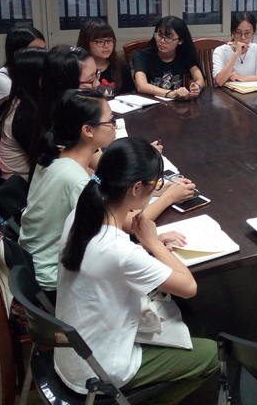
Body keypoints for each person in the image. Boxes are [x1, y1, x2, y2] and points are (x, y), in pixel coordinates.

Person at [55, 137, 219, 403]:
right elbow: (189, 287)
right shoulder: (119, 251)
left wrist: (147, 243)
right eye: (154, 185)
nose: (155, 190)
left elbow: (111, 252)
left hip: (73, 353)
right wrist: (152, 242)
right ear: (135, 188)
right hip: (100, 369)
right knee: (210, 354)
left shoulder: (81, 214)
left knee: (190, 327)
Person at [20, 89, 192, 303]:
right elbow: (130, 225)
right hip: (55, 278)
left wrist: (152, 188)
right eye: (110, 121)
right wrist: (169, 197)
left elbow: (107, 178)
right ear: (87, 130)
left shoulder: (60, 153)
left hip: (38, 259)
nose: (115, 126)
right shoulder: (75, 180)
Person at [29, 45, 99, 170]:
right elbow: (102, 167)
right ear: (67, 85)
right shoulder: (66, 124)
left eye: (97, 74)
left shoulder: (52, 108)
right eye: (91, 79)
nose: (97, 83)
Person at [0, 23, 45, 135]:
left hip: (7, 132)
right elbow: (31, 106)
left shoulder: (25, 75)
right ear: (16, 54)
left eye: (43, 50)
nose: (41, 56)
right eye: (34, 51)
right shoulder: (0, 79)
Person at [0, 46, 47, 180]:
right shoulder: (26, 115)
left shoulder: (24, 101)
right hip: (23, 184)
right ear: (35, 78)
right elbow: (46, 161)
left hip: (30, 177)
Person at [134, 16, 205, 99]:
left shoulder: (183, 54)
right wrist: (169, 93)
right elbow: (141, 86)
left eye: (168, 38)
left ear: (180, 40)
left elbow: (200, 79)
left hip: (176, 103)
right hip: (150, 101)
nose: (162, 41)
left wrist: (197, 87)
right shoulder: (143, 55)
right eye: (159, 35)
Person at [213, 12, 257, 86]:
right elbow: (219, 81)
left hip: (252, 91)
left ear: (254, 33)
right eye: (238, 33)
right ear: (232, 33)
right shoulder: (220, 51)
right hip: (228, 92)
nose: (243, 37)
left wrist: (244, 78)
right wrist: (236, 54)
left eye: (247, 33)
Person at [77, 18, 134, 96]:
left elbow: (129, 94)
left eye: (109, 41)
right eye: (99, 41)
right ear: (86, 42)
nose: (106, 46)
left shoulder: (120, 65)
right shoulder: (77, 67)